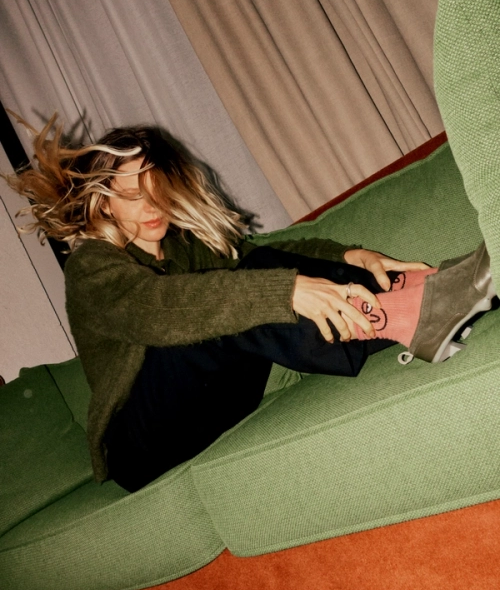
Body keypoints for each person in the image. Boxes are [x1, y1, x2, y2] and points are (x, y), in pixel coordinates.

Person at [7, 116, 497, 492]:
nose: (153, 207)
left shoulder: (184, 245)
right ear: (105, 202)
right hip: (140, 444)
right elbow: (157, 309)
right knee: (225, 300)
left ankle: (424, 296)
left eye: (160, 191)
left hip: (215, 406)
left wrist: (352, 256)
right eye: (134, 195)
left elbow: (263, 256)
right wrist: (284, 292)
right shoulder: (91, 265)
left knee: (251, 270)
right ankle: (412, 315)